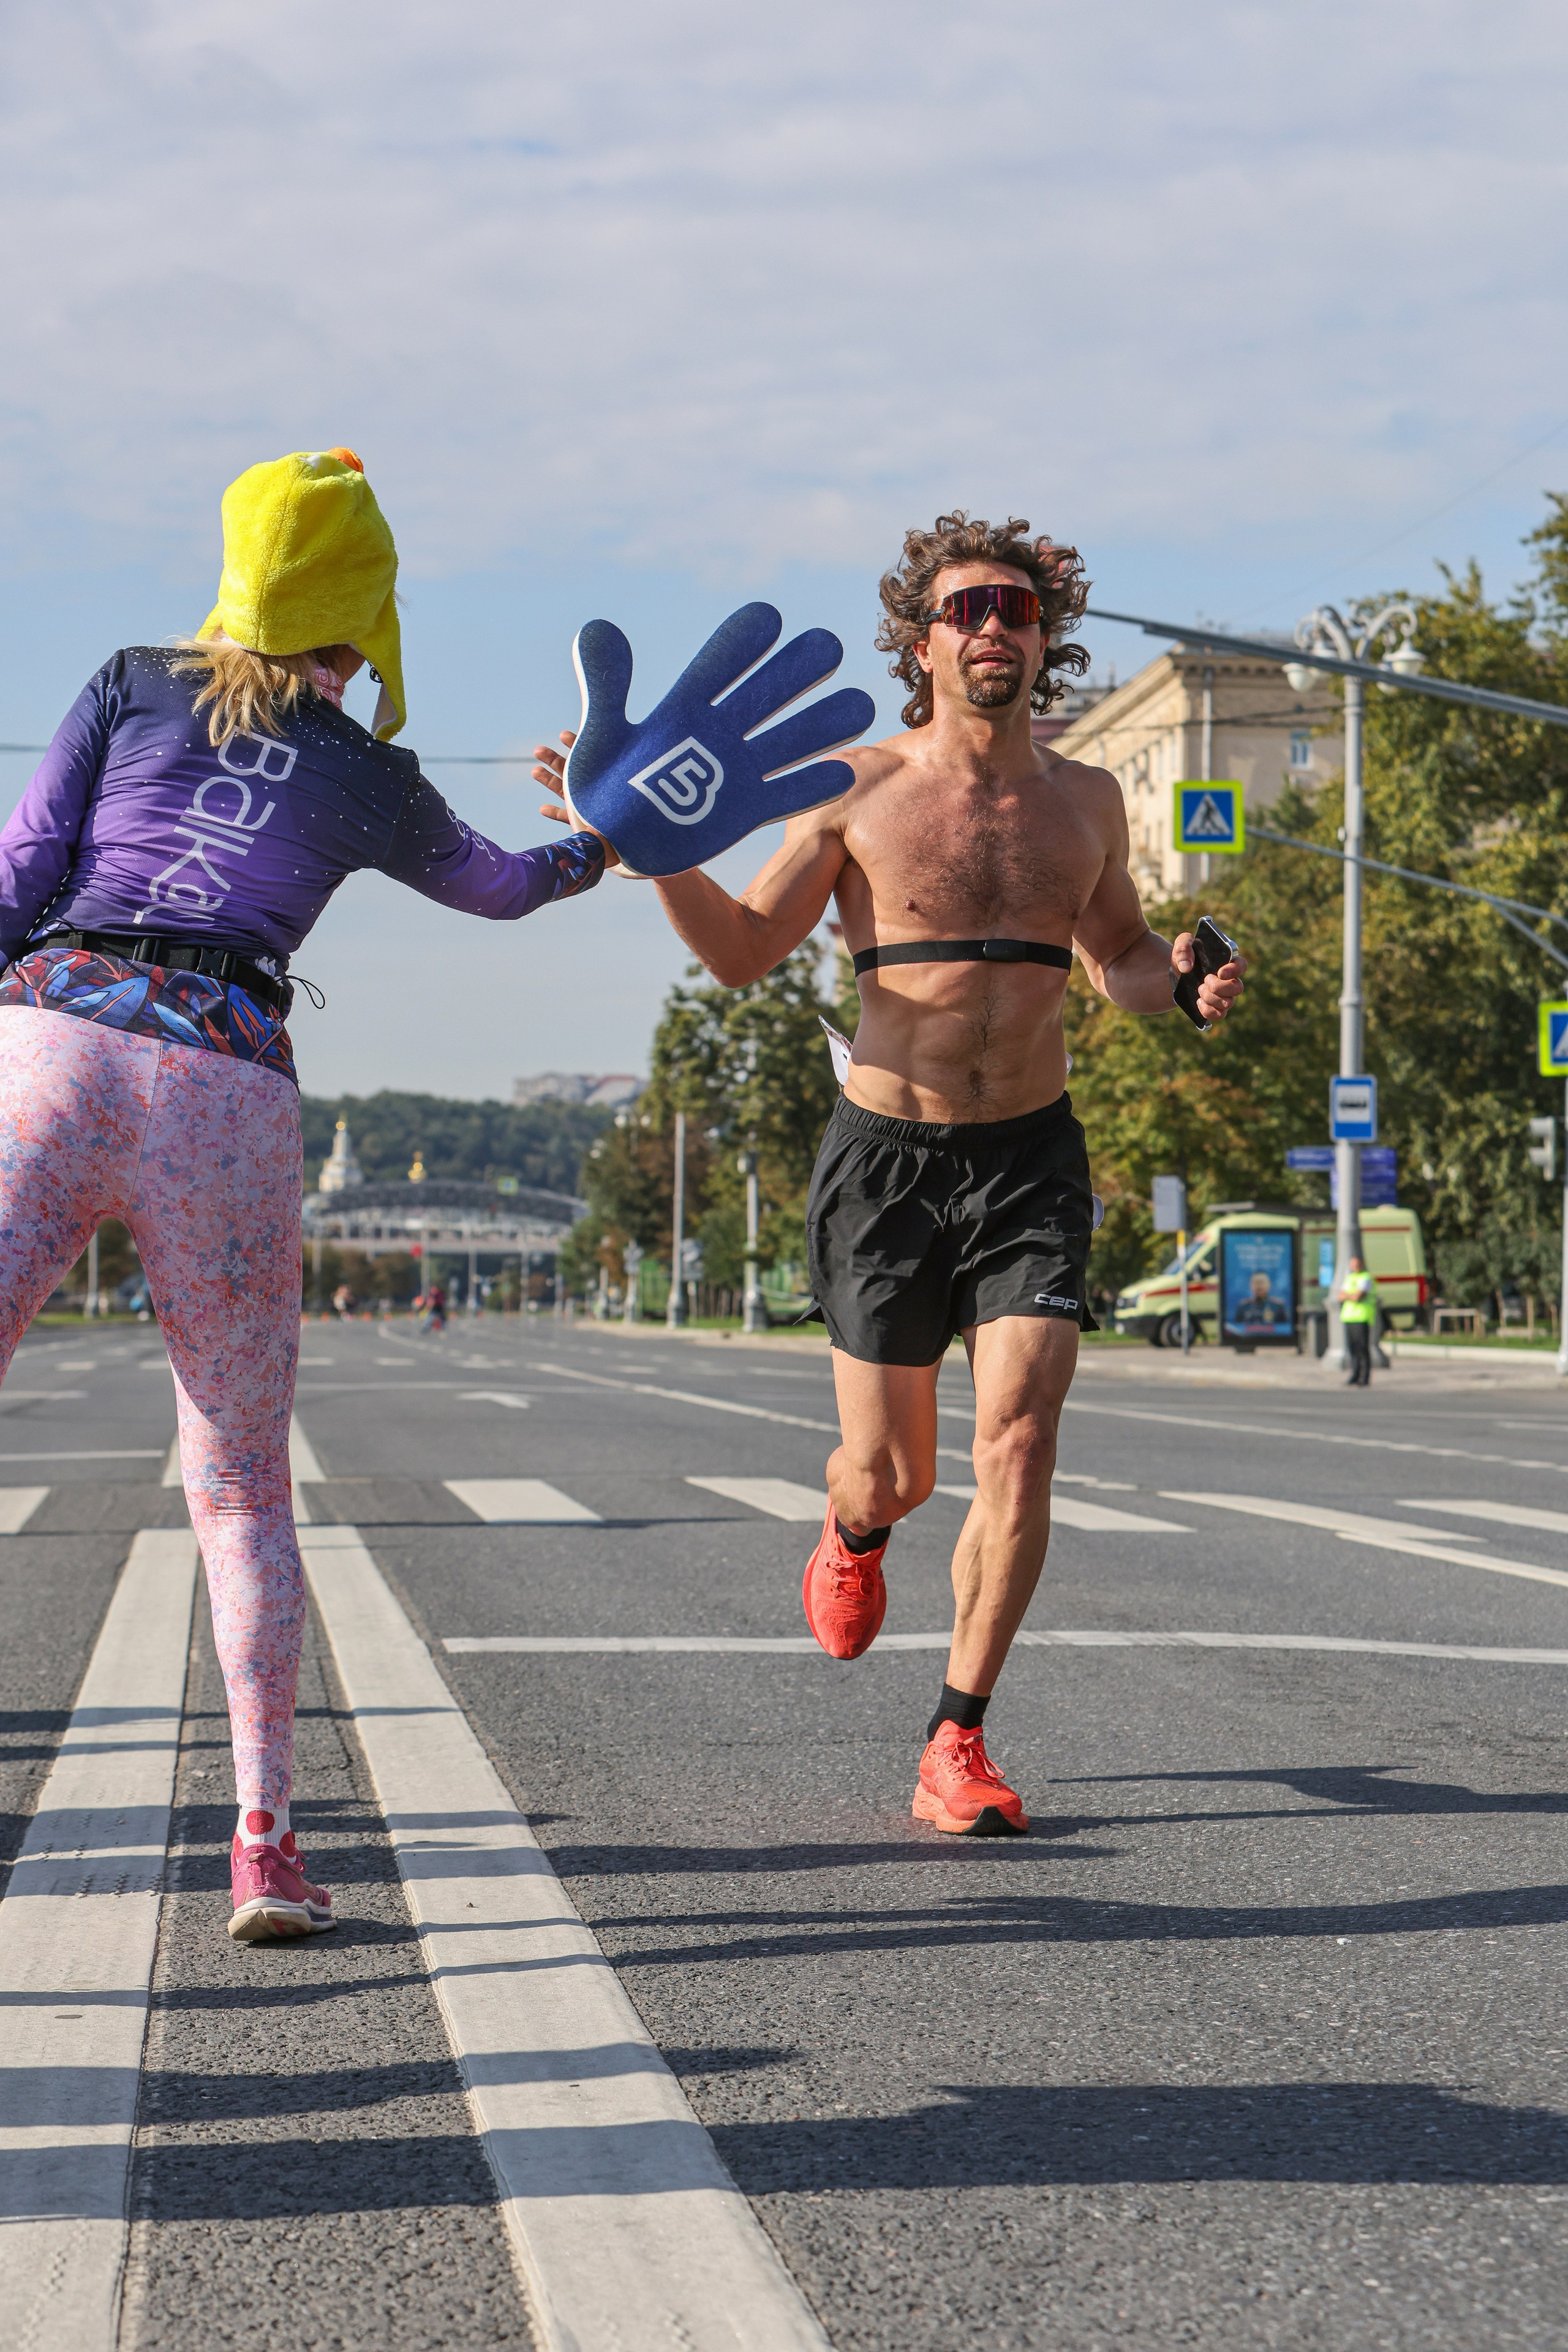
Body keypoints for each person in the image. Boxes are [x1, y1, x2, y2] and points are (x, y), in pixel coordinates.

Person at [534, 511, 1245, 1835]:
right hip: (885, 1163)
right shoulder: (851, 787)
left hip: (1031, 1155)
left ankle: (955, 1740)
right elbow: (746, 951)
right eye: (967, 607)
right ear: (920, 640)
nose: (994, 626)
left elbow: (1121, 961)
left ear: (1048, 640)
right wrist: (649, 850)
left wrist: (1188, 981)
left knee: (1021, 1439)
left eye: (1017, 609)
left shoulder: (1087, 801)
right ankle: (852, 1532)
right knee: (892, 1475)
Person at [0, 448, 612, 1940]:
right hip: (224, 1077)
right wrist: (606, 838)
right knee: (238, 1485)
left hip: (53, 1045)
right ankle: (265, 1841)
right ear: (363, 621)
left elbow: (19, 876)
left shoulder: (130, 680)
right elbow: (503, 888)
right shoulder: (369, 775)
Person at [1338, 1254, 1376, 1385]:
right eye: (1353, 1264)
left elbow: (1357, 1297)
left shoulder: (1366, 1278)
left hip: (1362, 1317)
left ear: (1362, 1264)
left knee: (1362, 1349)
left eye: (1357, 1264)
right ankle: (1355, 1374)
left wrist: (1348, 1295)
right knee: (1352, 1349)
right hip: (1349, 1317)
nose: (1355, 1266)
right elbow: (1340, 1296)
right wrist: (1351, 1295)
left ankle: (1365, 1377)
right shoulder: (1350, 1278)